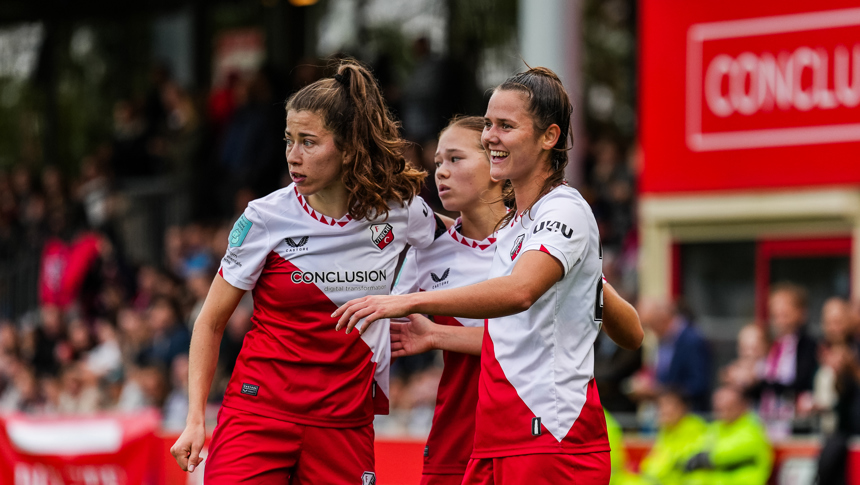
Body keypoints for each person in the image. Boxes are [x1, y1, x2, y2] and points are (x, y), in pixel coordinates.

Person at [335, 67, 644, 484]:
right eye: (489, 124)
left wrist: (410, 304)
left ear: (549, 137)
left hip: (549, 435)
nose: (490, 135)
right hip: (494, 441)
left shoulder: (564, 209)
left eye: (505, 125)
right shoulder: (515, 229)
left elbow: (522, 293)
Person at [169, 59, 438, 484]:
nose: (294, 156)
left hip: (344, 423)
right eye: (289, 140)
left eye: (309, 142)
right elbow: (210, 321)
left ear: (348, 146)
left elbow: (464, 251)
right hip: (259, 412)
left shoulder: (402, 212)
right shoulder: (263, 218)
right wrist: (195, 418)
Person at [757, 283, 818, 438]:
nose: (779, 320)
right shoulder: (771, 344)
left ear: (800, 313)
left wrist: (763, 382)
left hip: (794, 422)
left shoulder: (807, 346)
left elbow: (800, 382)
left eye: (784, 314)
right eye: (775, 315)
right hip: (767, 418)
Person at [632, 298, 711, 412]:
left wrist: (658, 391)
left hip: (689, 418)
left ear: (663, 319)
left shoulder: (692, 340)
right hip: (665, 416)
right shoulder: (663, 341)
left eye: (651, 325)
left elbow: (698, 385)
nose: (651, 332)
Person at [682, 386, 773, 485]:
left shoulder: (752, 427)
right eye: (719, 407)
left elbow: (726, 453)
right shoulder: (716, 427)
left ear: (742, 405)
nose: (722, 409)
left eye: (729, 406)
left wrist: (705, 457)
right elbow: (696, 448)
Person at [636, 389, 707, 485]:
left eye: (668, 405)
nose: (663, 410)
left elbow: (680, 462)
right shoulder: (665, 431)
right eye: (660, 405)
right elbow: (649, 464)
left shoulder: (696, 428)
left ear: (683, 407)